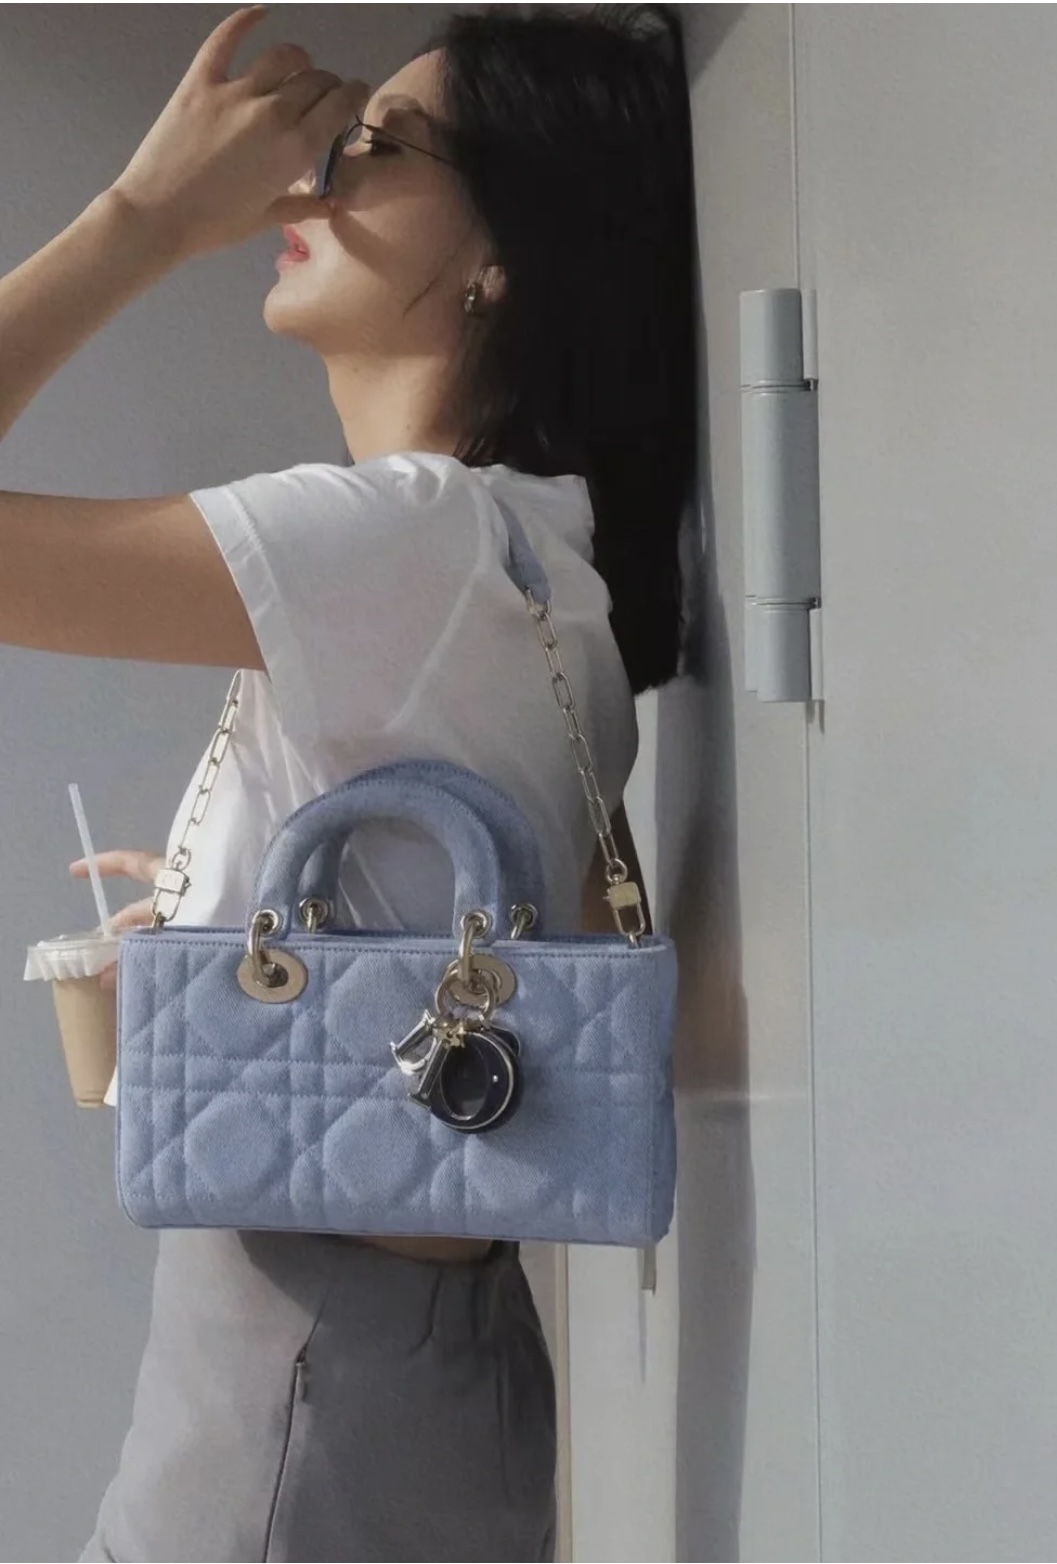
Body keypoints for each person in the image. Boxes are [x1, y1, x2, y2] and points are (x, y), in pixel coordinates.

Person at [0, 2, 696, 1558]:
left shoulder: (406, 539)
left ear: (503, 253)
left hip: (301, 1374)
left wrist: (142, 219)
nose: (311, 179)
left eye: (377, 148)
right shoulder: (522, 545)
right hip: (397, 1367)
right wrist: (231, 914)